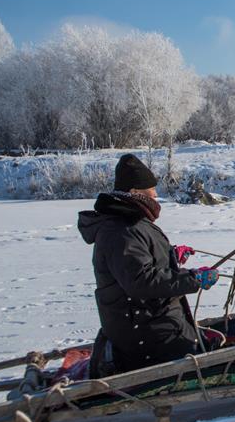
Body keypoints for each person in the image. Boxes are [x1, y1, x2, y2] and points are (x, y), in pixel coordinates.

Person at [78, 154, 220, 376]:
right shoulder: (122, 231)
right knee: (210, 359)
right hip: (147, 335)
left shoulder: (127, 224)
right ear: (134, 193)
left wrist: (170, 256)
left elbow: (137, 263)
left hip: (150, 323)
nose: (156, 197)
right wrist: (193, 279)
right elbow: (142, 282)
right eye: (152, 192)